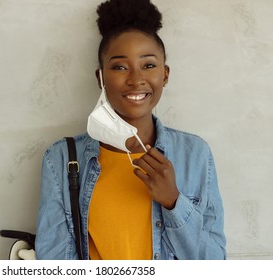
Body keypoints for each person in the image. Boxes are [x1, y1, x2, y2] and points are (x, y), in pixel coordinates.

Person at [35, 0, 226, 260]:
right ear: (100, 77)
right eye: (119, 67)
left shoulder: (195, 154)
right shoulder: (60, 159)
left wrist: (173, 202)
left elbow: (214, 263)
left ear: (165, 74)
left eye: (148, 65)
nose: (136, 80)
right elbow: (53, 263)